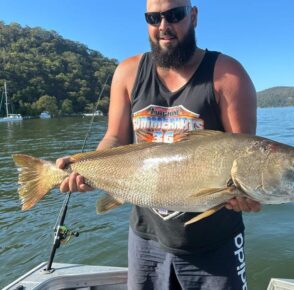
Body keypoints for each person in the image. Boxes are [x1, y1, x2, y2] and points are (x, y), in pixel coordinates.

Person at [57, 0, 261, 289]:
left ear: (193, 16)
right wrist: (85, 168)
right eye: (153, 18)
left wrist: (249, 194)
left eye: (174, 15)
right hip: (145, 238)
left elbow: (244, 153)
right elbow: (115, 138)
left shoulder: (227, 74)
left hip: (215, 245)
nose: (164, 26)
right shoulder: (128, 73)